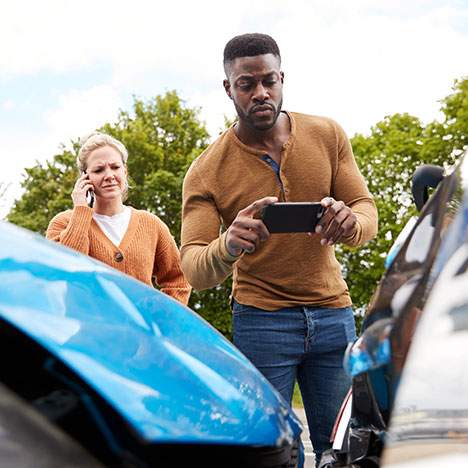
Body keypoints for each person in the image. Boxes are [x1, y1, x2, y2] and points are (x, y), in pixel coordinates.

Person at [180, 33, 378, 463]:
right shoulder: (206, 171)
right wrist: (228, 245)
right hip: (261, 322)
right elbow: (194, 266)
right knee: (273, 455)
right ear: (229, 89)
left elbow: (365, 210)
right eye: (246, 84)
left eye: (269, 80)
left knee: (343, 450)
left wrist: (350, 223)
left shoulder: (327, 134)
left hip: (333, 314)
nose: (260, 93)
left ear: (282, 78)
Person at [47, 132, 191, 305]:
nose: (109, 175)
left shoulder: (151, 224)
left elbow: (178, 279)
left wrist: (162, 319)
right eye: (99, 170)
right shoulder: (63, 223)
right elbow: (68, 271)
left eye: (115, 167)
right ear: (85, 177)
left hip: (140, 331)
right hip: (88, 330)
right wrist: (81, 210)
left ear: (125, 170)